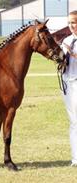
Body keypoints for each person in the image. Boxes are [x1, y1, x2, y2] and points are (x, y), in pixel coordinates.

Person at [62, 10, 77, 166]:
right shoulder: (66, 40)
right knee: (73, 122)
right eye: (69, 23)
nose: (71, 25)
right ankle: (75, 158)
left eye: (74, 22)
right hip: (68, 84)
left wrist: (73, 54)